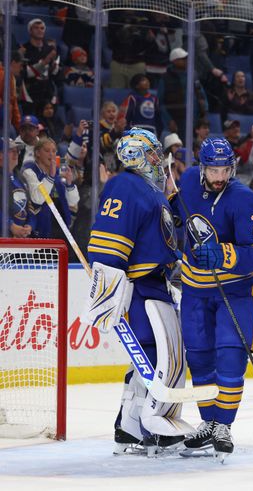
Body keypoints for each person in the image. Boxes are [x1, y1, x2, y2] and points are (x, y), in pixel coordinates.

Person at [83, 128, 188, 454]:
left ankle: (130, 427)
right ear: (136, 156)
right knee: (153, 355)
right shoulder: (125, 185)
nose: (159, 160)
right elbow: (109, 241)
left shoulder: (151, 190)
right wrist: (108, 287)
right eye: (153, 153)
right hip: (140, 286)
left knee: (152, 357)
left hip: (156, 284)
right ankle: (151, 427)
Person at [172, 137, 253, 461]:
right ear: (202, 168)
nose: (219, 177)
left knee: (230, 357)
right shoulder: (189, 180)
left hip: (235, 291)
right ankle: (208, 422)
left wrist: (224, 255)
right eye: (213, 170)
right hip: (195, 290)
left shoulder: (244, 199)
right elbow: (179, 209)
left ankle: (223, 425)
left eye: (225, 170)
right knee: (199, 357)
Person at [21, 137, 79, 239]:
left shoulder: (58, 171)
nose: (51, 154)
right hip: (39, 231)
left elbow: (73, 202)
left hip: (61, 229)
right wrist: (50, 177)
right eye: (47, 151)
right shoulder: (29, 171)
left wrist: (69, 184)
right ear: (37, 153)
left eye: (54, 151)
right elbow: (38, 199)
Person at [0, 138, 31, 238]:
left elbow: (30, 208)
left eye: (17, 151)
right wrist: (10, 225)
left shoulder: (21, 178)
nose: (16, 154)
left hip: (20, 239)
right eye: (11, 151)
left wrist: (29, 226)